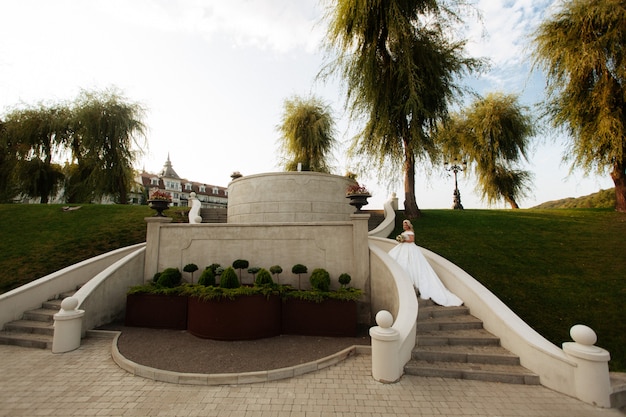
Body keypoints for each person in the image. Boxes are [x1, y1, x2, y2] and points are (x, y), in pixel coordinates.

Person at [388, 219, 463, 306]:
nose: (404, 226)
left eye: (405, 225)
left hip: (410, 248)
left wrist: (403, 239)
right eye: (403, 225)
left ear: (408, 225)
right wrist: (401, 240)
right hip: (403, 248)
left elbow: (411, 240)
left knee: (414, 264)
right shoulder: (404, 232)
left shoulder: (411, 232)